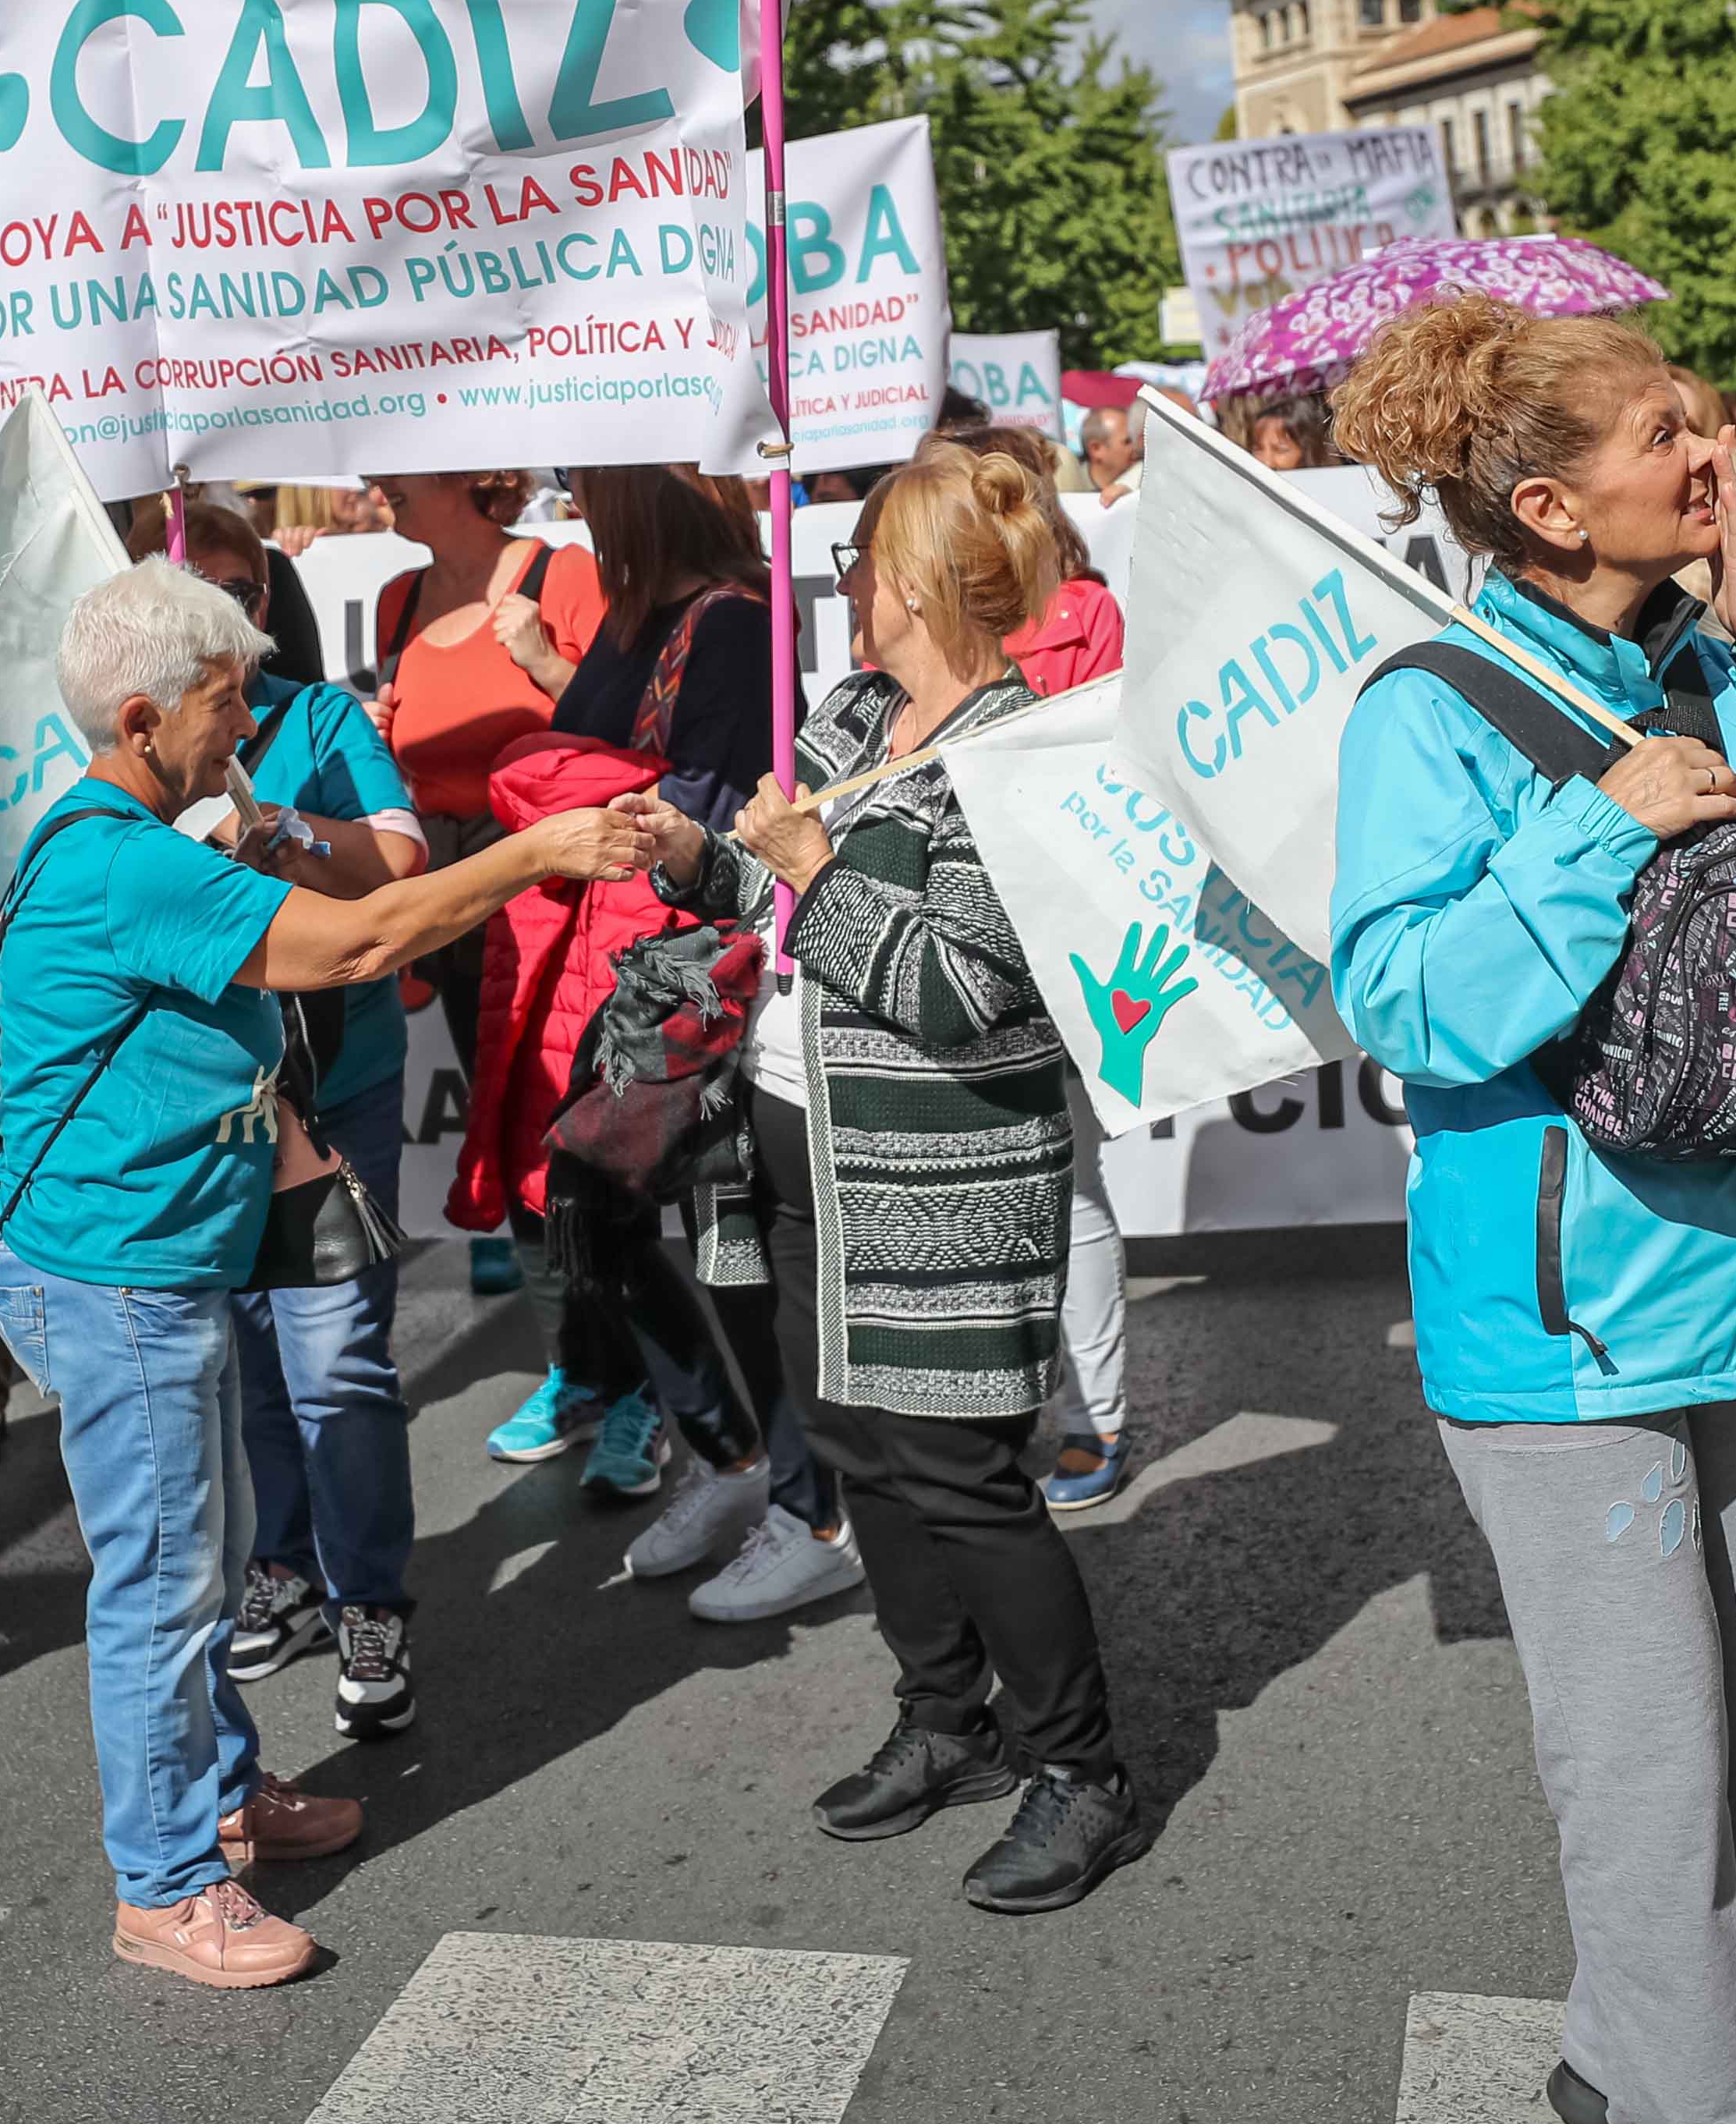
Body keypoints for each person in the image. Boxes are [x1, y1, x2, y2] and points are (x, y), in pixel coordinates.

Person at [1325, 297, 1736, 2124]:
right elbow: (1406, 1001)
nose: (1715, 452)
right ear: (1542, 502)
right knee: (1648, 1776)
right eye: (1661, 433)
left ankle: (1622, 2049)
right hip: (1562, 1331)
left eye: (1704, 416)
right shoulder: (1423, 707)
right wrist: (1593, 832)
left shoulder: (1724, 660)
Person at [0, 559, 650, 1988]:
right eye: (226, 707)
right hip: (121, 1277)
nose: (247, 732)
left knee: (207, 1560)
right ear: (141, 716)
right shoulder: (126, 855)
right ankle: (165, 1883)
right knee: (166, 1585)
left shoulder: (134, 828)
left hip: (153, 1258)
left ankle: (219, 1798)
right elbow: (360, 937)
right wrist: (537, 855)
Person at [618, 440, 1153, 1917]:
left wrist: (810, 869)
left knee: (967, 1480)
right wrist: (701, 861)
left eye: (863, 563)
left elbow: (971, 991)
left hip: (943, 1172)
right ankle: (944, 1719)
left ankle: (1080, 1769)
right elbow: (775, 898)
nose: (845, 585)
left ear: (914, 581)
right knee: (861, 1452)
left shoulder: (1014, 749)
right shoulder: (853, 715)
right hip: (806, 1156)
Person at [515, 465, 852, 1615]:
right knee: (603, 1218)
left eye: (586, 484)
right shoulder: (637, 617)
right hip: (618, 974)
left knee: (731, 1243)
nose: (572, 501)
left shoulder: (728, 623)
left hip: (691, 975)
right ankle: (734, 1460)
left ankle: (812, 1508)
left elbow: (721, 809)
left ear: (634, 499)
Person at [164, 502, 436, 1739]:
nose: (223, 613)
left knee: (333, 1359)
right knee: (248, 1356)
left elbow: (398, 860)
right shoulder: (124, 752)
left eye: (239, 586)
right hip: (202, 1096)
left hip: (332, 1089)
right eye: (191, 590)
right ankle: (284, 1558)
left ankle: (368, 1591)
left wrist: (270, 826)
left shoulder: (318, 721)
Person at [366, 469, 613, 1378]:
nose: (375, 483)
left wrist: (547, 665)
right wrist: (377, 735)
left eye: (397, 466)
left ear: (470, 471)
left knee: (576, 1150)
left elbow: (629, 724)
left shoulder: (560, 576)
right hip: (458, 910)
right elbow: (411, 771)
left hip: (563, 908)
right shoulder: (398, 603)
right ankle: (577, 1376)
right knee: (510, 1145)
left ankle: (627, 1386)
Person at [937, 424, 1137, 1509]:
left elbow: (1105, 772)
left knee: (1069, 1184)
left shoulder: (1087, 611)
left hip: (1051, 918)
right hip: (951, 919)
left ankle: (1093, 1416)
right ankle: (1015, 1398)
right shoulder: (913, 622)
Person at [1079, 381, 1148, 503]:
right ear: (1096, 449)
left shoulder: (1144, 478)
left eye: (1133, 439)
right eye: (1127, 442)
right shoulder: (1070, 486)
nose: (1136, 447)